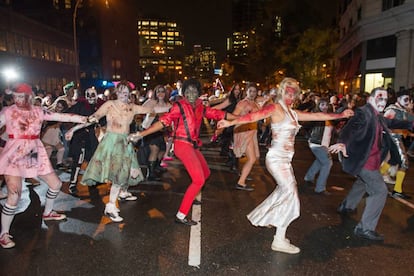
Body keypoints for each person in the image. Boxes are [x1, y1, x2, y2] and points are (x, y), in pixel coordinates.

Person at [217, 77, 353, 254]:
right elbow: (253, 116)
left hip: (285, 160)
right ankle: (279, 239)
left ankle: (270, 219)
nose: (290, 95)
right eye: (287, 92)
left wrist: (340, 115)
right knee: (291, 195)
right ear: (282, 92)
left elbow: (317, 115)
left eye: (293, 93)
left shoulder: (292, 112)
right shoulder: (276, 108)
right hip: (276, 159)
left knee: (285, 192)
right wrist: (230, 122)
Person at [128, 78, 238, 226]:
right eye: (188, 91)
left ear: (198, 92)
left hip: (192, 145)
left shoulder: (200, 107)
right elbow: (163, 122)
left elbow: (219, 115)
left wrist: (242, 119)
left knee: (205, 173)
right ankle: (181, 215)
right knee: (199, 179)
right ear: (184, 93)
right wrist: (141, 134)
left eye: (194, 90)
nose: (191, 93)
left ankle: (194, 195)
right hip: (182, 144)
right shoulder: (179, 106)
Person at [0, 83, 87, 249]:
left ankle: (48, 212)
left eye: (22, 96)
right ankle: (3, 233)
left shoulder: (38, 111)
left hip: (34, 152)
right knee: (14, 195)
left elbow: (61, 117)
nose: (18, 99)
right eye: (16, 96)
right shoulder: (8, 111)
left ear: (29, 97)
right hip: (14, 155)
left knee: (56, 184)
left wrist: (81, 119)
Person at [66, 81, 162, 222]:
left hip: (125, 141)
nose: (124, 93)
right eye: (122, 91)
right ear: (116, 92)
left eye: (127, 91)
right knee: (118, 173)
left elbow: (151, 110)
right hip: (112, 142)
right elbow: (93, 118)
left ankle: (122, 192)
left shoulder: (132, 107)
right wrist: (73, 129)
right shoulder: (109, 105)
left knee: (129, 168)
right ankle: (110, 206)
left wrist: (176, 107)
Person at [329, 87, 414, 241]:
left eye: (385, 99)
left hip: (373, 160)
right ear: (370, 99)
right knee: (380, 191)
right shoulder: (364, 112)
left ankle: (346, 206)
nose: (383, 102)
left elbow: (391, 121)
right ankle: (365, 228)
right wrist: (342, 142)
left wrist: (410, 124)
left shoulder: (378, 116)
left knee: (362, 183)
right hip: (365, 161)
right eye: (380, 98)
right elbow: (350, 128)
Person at [381, 89, 414, 199]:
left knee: (393, 161)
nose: (407, 101)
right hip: (393, 139)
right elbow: (384, 125)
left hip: (396, 139)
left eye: (408, 99)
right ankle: (397, 190)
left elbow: (407, 125)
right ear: (398, 99)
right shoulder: (392, 110)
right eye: (405, 99)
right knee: (404, 163)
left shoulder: (403, 110)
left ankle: (375, 179)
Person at [303, 98, 336, 195]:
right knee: (327, 163)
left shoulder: (329, 116)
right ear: (318, 106)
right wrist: (309, 136)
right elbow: (305, 125)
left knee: (320, 161)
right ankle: (320, 188)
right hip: (316, 144)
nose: (324, 107)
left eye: (326, 105)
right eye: (322, 105)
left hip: (325, 144)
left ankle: (309, 177)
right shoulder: (316, 116)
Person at [231, 83, 261, 191]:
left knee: (253, 158)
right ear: (246, 91)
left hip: (252, 132)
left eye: (254, 91)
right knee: (252, 158)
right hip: (244, 132)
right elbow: (233, 116)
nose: (252, 93)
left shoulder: (255, 103)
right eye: (250, 91)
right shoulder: (242, 103)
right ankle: (241, 182)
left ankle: (243, 176)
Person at [141, 85, 172, 180]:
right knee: (154, 150)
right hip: (151, 129)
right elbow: (141, 109)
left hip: (162, 131)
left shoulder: (169, 105)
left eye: (162, 91)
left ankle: (155, 167)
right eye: (158, 91)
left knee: (162, 150)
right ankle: (150, 174)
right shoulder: (151, 103)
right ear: (155, 93)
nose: (160, 94)